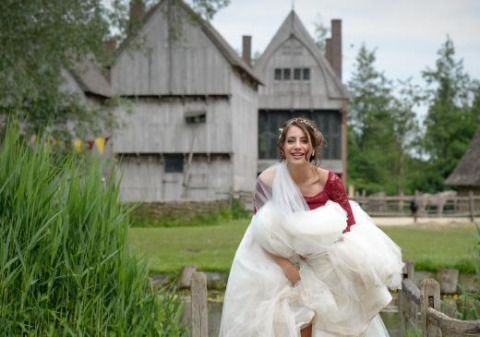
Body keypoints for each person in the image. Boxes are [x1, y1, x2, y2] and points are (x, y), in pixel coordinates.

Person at [219, 118, 404, 337]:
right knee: (288, 314)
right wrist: (288, 267)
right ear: (282, 147)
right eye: (291, 141)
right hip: (279, 261)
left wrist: (317, 252)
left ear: (312, 148)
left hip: (322, 259)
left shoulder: (330, 181)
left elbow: (349, 226)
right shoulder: (267, 181)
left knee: (329, 313)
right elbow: (261, 231)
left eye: (304, 141)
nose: (297, 146)